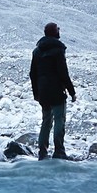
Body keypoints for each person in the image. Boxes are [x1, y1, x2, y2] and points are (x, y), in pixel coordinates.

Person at [29, 21, 76, 158]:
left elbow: (33, 74)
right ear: (55, 32)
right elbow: (63, 73)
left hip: (43, 91)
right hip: (56, 91)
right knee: (59, 119)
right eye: (58, 29)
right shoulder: (58, 50)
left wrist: (36, 93)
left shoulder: (36, 51)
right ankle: (59, 151)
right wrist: (71, 91)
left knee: (46, 121)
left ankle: (42, 152)